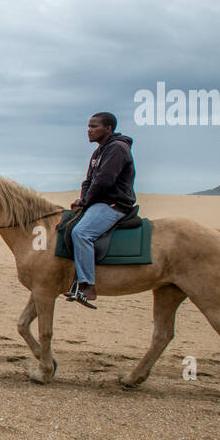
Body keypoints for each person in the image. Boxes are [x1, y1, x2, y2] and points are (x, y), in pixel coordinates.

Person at [65, 112, 136, 307]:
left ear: (108, 129)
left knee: (82, 233)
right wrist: (83, 199)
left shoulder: (117, 149)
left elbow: (104, 181)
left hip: (114, 204)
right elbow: (89, 180)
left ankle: (88, 285)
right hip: (98, 202)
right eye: (89, 126)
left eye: (94, 126)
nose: (89, 130)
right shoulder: (99, 151)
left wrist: (86, 202)